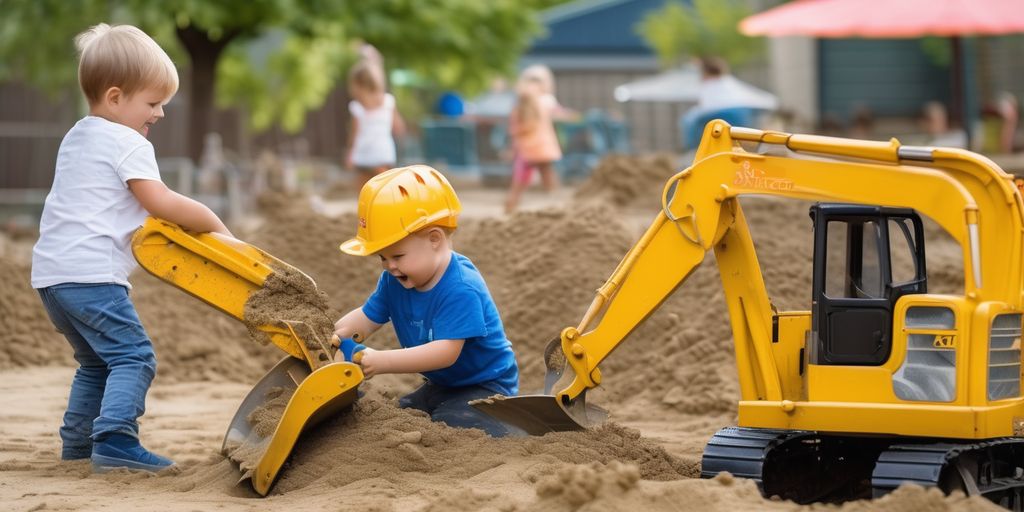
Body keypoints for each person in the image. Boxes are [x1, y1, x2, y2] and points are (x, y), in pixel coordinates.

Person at [31, 24, 232, 472]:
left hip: (52, 278)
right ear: (117, 97)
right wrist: (217, 226)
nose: (159, 114)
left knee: (95, 363)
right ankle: (116, 439)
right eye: (153, 103)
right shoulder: (127, 142)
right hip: (92, 275)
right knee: (133, 356)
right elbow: (160, 202)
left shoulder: (78, 136)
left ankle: (79, 445)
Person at [332, 165, 519, 437]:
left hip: (486, 386)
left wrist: (380, 361)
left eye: (397, 256)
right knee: (403, 412)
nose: (389, 266)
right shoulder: (394, 281)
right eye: (382, 258)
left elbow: (445, 353)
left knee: (451, 422)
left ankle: (510, 427)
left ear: (434, 239)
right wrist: (337, 335)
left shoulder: (460, 288)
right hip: (440, 384)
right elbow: (367, 318)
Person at [504, 67, 565, 214]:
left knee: (520, 182)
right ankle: (558, 208)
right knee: (548, 180)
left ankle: (510, 207)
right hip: (541, 149)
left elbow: (519, 127)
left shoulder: (523, 105)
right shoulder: (542, 102)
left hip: (529, 150)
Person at [345, 58, 405, 191]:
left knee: (364, 187)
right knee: (385, 186)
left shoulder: (357, 107)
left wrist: (350, 153)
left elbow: (354, 133)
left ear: (359, 85)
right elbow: (398, 126)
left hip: (364, 152)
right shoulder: (388, 102)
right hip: (383, 151)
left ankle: (366, 210)